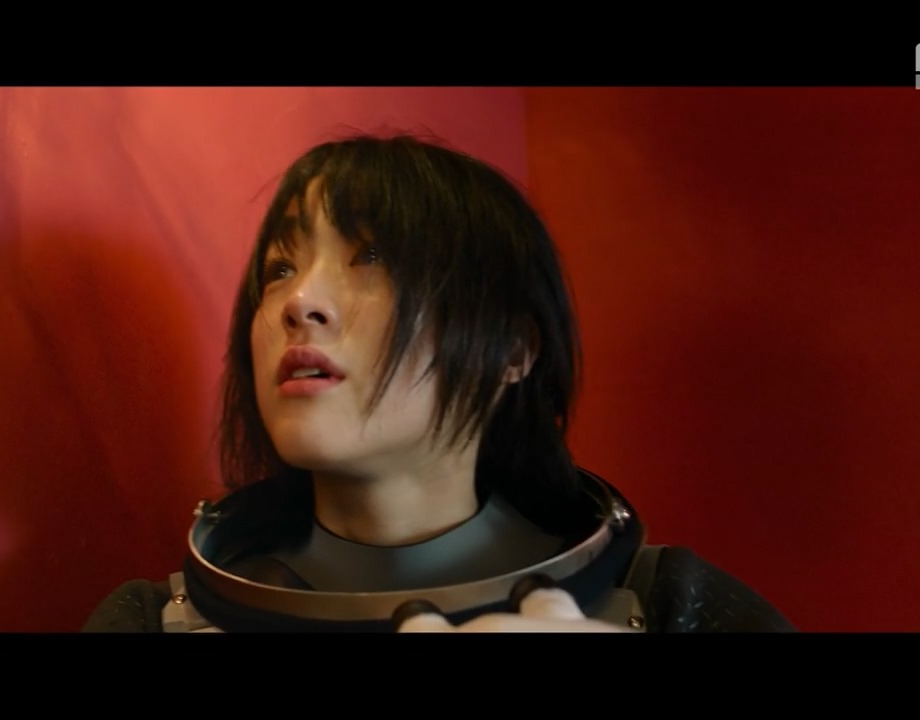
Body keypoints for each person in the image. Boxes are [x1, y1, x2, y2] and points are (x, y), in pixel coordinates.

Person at [82, 132, 796, 633]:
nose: (300, 301)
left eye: (373, 257)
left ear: (513, 349)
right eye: (280, 268)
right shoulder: (150, 621)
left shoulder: (679, 607)